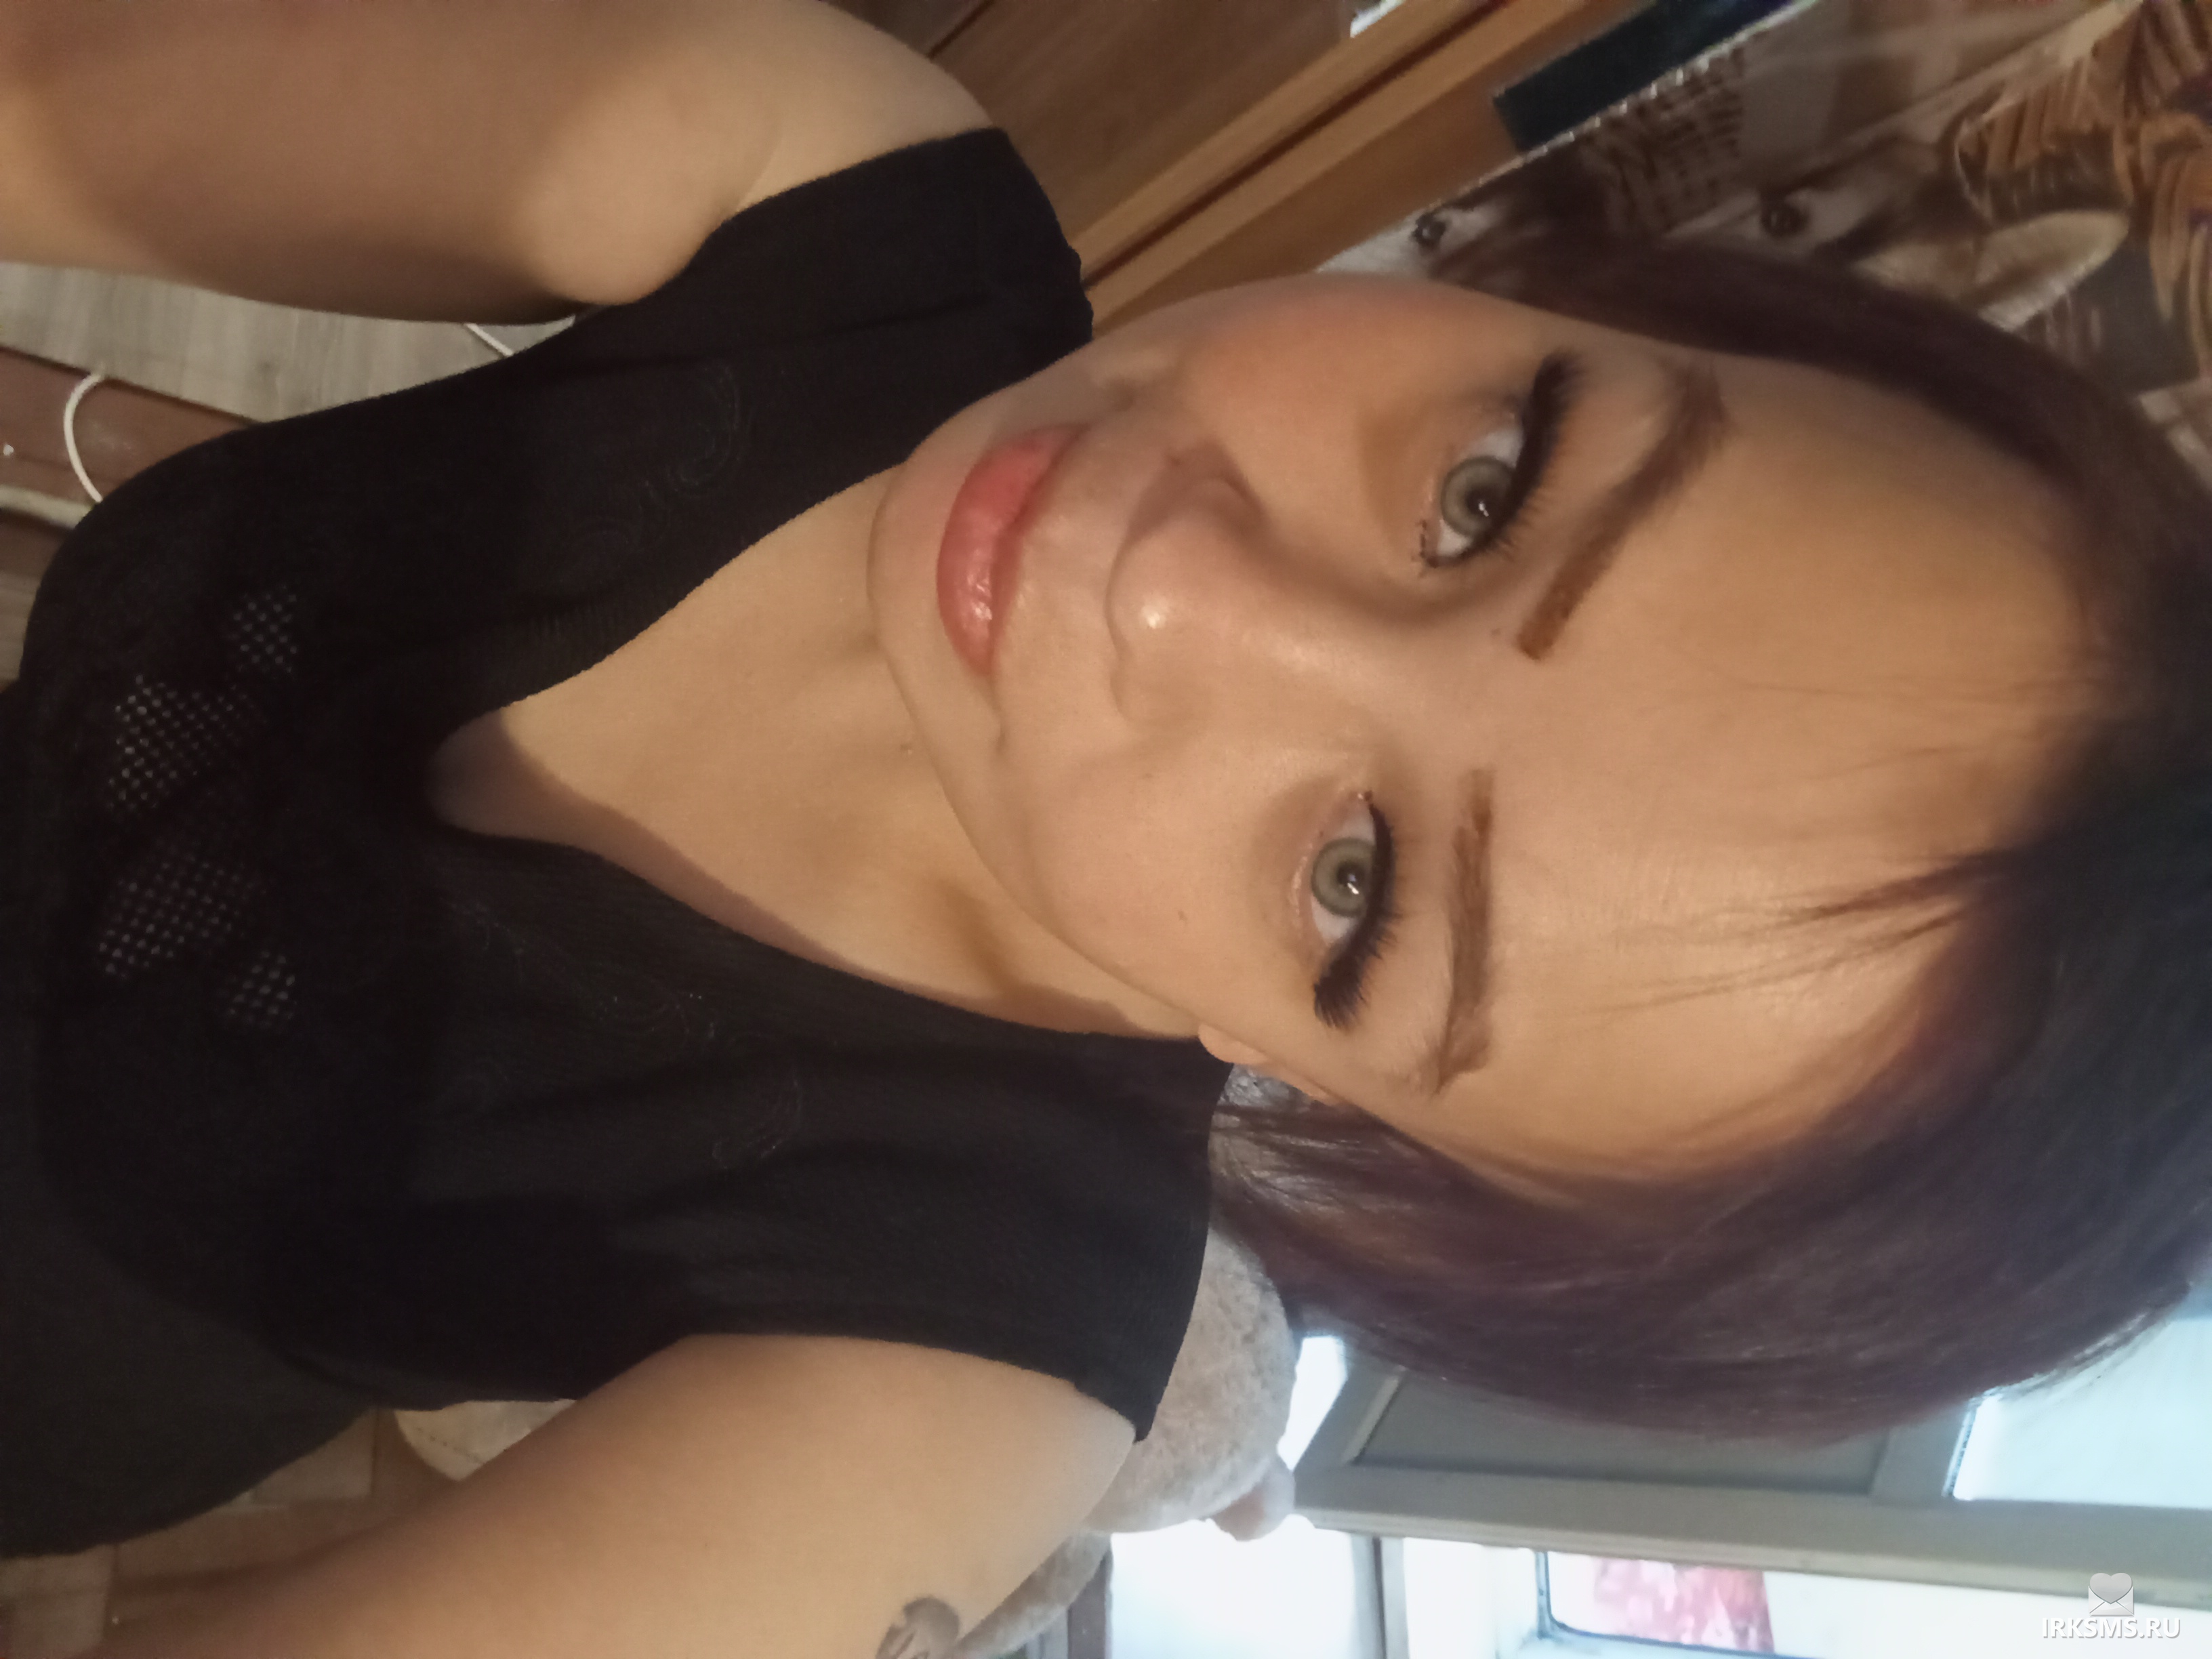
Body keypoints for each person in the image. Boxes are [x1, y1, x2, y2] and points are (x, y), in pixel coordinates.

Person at [0, 3, 2205, 1655]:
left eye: (1358, 889)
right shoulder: (834, 198)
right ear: (1580, 304)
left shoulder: (952, 1363)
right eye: (1491, 486)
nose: (1171, 586)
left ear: (1371, 1120)